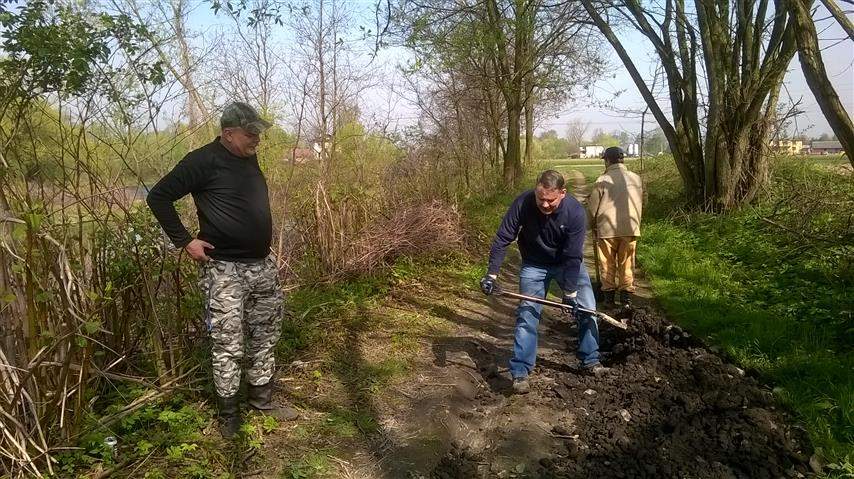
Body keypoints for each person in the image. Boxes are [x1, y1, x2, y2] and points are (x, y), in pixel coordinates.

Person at [146, 102, 295, 439]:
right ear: (228, 134)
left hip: (262, 266)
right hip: (225, 271)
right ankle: (229, 416)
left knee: (266, 334)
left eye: (258, 132)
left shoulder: (248, 156)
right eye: (250, 132)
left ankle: (261, 401)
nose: (257, 138)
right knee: (228, 342)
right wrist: (186, 241)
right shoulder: (203, 160)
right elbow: (158, 197)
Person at [480, 170, 606, 394]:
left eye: (551, 200)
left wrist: (570, 292)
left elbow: (573, 256)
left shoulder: (575, 212)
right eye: (541, 199)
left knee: (587, 309)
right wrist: (491, 274)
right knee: (527, 314)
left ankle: (590, 360)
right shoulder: (523, 203)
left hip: (567, 263)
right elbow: (503, 238)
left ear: (562, 193)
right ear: (535, 190)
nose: (545, 205)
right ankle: (520, 371)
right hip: (534, 264)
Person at [587, 146, 644, 307]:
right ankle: (626, 299)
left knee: (607, 264)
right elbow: (643, 200)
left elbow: (592, 208)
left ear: (607, 161)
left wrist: (591, 225)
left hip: (606, 229)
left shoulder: (602, 180)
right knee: (627, 263)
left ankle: (609, 298)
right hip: (630, 227)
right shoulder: (636, 178)